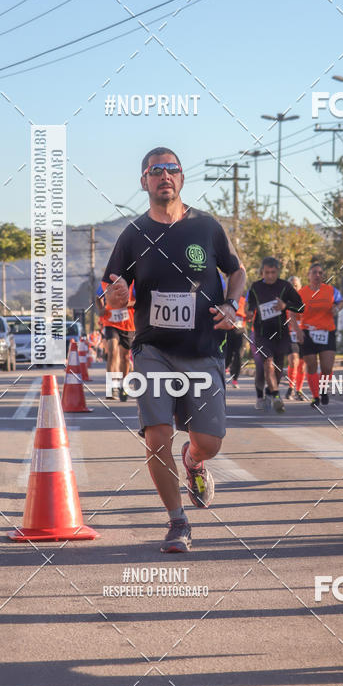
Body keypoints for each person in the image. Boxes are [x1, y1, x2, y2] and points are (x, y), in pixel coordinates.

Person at [102, 147, 245, 554]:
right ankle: (177, 522)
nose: (165, 176)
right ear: (143, 181)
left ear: (182, 178)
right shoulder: (133, 235)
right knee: (156, 434)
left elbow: (236, 271)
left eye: (172, 169)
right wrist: (112, 298)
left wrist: (231, 304)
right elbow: (111, 294)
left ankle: (195, 461)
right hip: (153, 350)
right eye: (155, 170)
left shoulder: (207, 227)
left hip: (203, 350)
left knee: (210, 440)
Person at [246, 258, 305, 413]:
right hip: (262, 333)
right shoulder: (255, 287)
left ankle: (272, 391)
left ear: (277, 272)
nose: (270, 276)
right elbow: (251, 304)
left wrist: (285, 306)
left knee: (278, 367)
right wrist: (250, 312)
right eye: (267, 273)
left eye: (273, 273)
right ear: (262, 272)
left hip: (281, 333)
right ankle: (277, 396)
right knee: (268, 363)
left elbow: (301, 306)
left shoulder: (285, 286)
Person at [299, 263, 343, 408]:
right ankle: (315, 396)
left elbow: (341, 302)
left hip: (327, 332)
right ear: (308, 275)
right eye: (314, 272)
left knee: (327, 367)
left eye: (320, 273)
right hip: (308, 332)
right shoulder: (301, 293)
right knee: (311, 365)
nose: (317, 275)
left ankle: (323, 390)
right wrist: (297, 330)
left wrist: (336, 308)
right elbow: (292, 312)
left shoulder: (331, 290)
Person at [96, 280, 136, 401]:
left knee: (124, 357)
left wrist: (125, 304)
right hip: (110, 323)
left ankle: (123, 385)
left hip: (128, 325)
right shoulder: (106, 282)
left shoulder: (133, 282)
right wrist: (101, 308)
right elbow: (98, 296)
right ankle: (111, 387)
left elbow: (139, 301)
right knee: (112, 352)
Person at [285, 275, 305, 400]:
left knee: (302, 365)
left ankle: (299, 390)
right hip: (289, 334)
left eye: (296, 285)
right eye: (291, 285)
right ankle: (290, 387)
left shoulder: (306, 299)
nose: (294, 287)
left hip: (304, 334)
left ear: (300, 286)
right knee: (293, 360)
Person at [224, 296, 246, 388]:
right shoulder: (227, 299)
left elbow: (249, 314)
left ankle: (235, 379)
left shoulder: (244, 301)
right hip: (229, 331)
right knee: (228, 355)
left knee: (239, 355)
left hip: (241, 331)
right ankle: (222, 374)